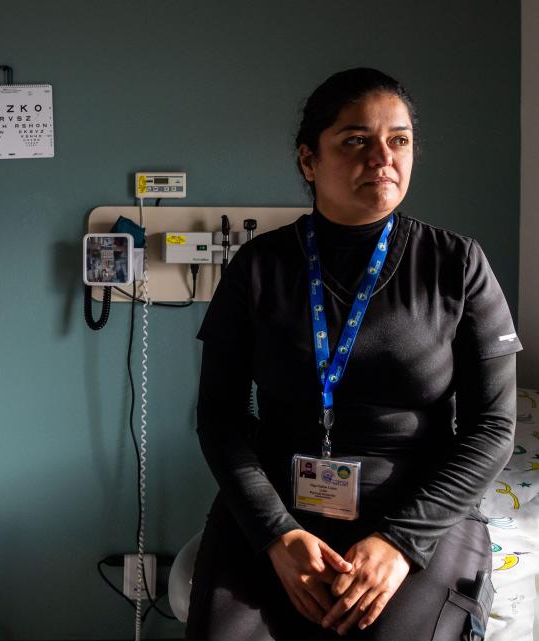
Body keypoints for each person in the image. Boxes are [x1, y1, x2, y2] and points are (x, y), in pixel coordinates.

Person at [186, 68, 519, 641]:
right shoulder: (259, 267)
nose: (382, 157)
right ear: (309, 160)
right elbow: (219, 416)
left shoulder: (457, 264)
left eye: (399, 140)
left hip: (420, 505)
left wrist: (399, 542)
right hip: (281, 504)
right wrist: (275, 534)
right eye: (356, 140)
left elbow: (493, 428)